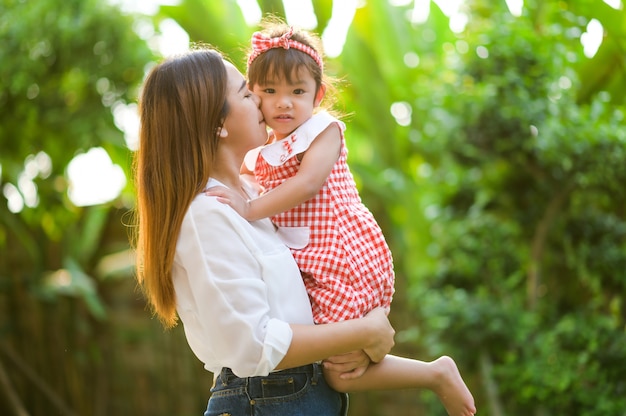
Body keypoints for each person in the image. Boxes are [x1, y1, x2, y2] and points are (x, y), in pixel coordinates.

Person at [205, 21, 477, 416]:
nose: (283, 103)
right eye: (269, 92)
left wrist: (247, 208)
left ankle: (436, 373)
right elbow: (248, 178)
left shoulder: (322, 129)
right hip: (311, 259)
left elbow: (308, 183)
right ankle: (423, 369)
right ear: (253, 95)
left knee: (337, 371)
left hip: (341, 252)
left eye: (297, 92)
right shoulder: (264, 148)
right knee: (337, 362)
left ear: (319, 94)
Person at [132, 46, 398, 416]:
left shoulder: (256, 196)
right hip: (264, 399)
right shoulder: (206, 214)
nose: (263, 103)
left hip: (298, 395)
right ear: (217, 124)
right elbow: (254, 346)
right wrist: (364, 332)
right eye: (247, 92)